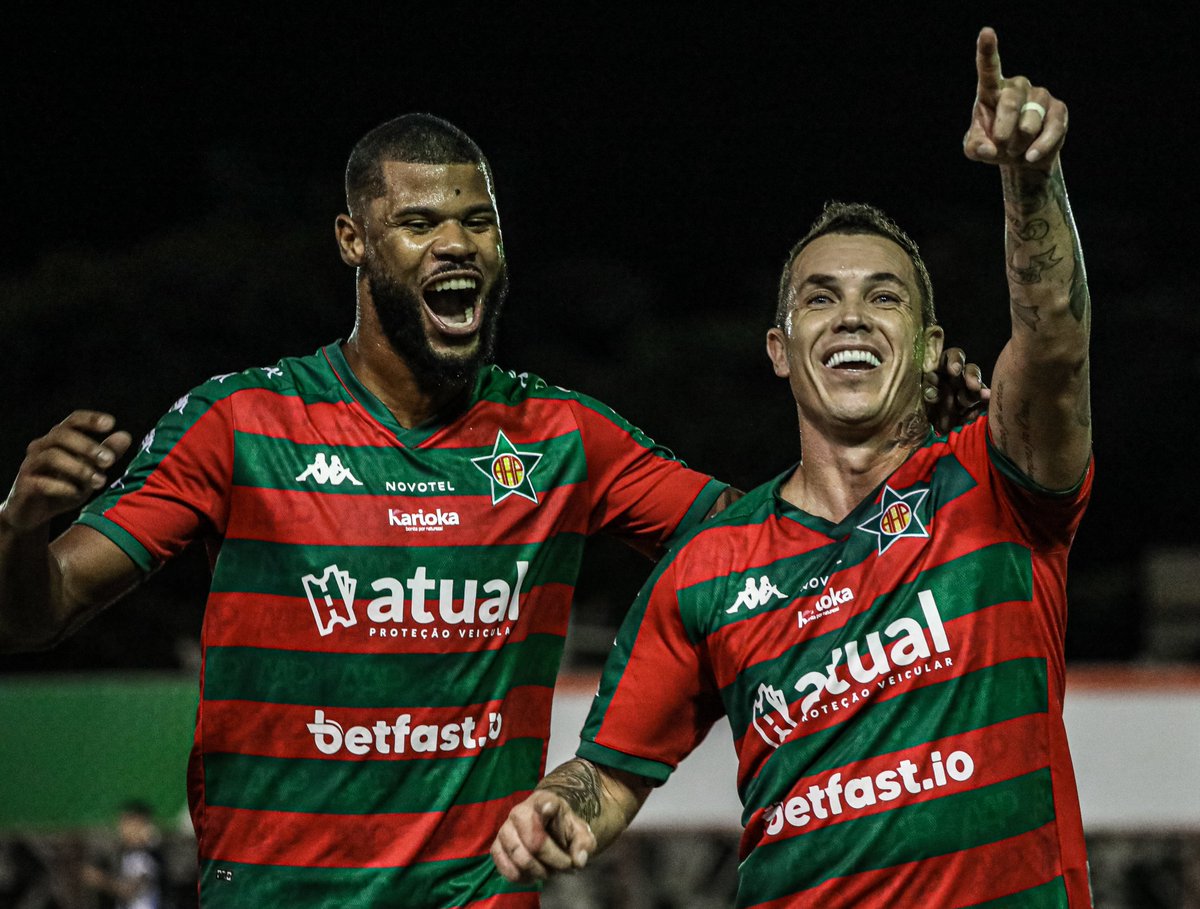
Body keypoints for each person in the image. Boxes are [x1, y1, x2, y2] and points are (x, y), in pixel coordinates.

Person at [0, 116, 983, 907]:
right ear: (355, 241)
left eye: (478, 222)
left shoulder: (560, 437)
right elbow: (34, 612)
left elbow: (779, 551)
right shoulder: (242, 424)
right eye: (422, 223)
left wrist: (909, 451)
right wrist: (17, 531)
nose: (458, 244)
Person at [492, 27, 1093, 908]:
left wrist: (1028, 179)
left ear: (930, 351)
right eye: (822, 298)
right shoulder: (707, 567)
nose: (851, 316)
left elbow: (1054, 350)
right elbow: (610, 772)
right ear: (782, 348)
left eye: (882, 296)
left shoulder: (997, 489)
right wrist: (557, 804)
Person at [81, 801, 164, 909]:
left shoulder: (146, 855)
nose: (121, 828)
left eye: (126, 823)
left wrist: (102, 879)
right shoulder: (125, 852)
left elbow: (129, 890)